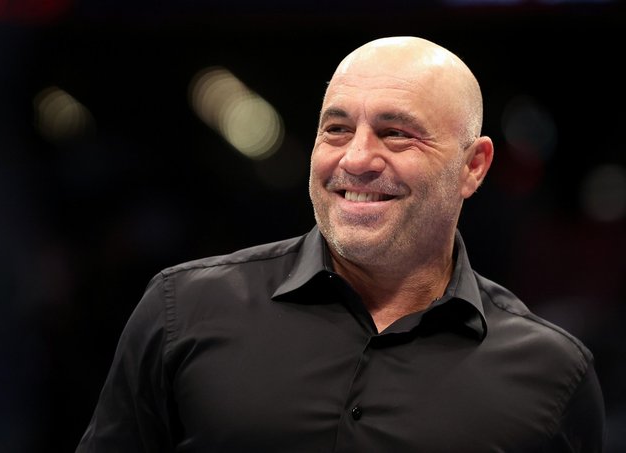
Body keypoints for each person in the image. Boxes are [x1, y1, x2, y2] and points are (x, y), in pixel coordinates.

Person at [76, 36, 605, 452]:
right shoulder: (184, 310)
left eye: (396, 133)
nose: (355, 158)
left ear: (473, 167)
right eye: (336, 129)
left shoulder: (552, 374)